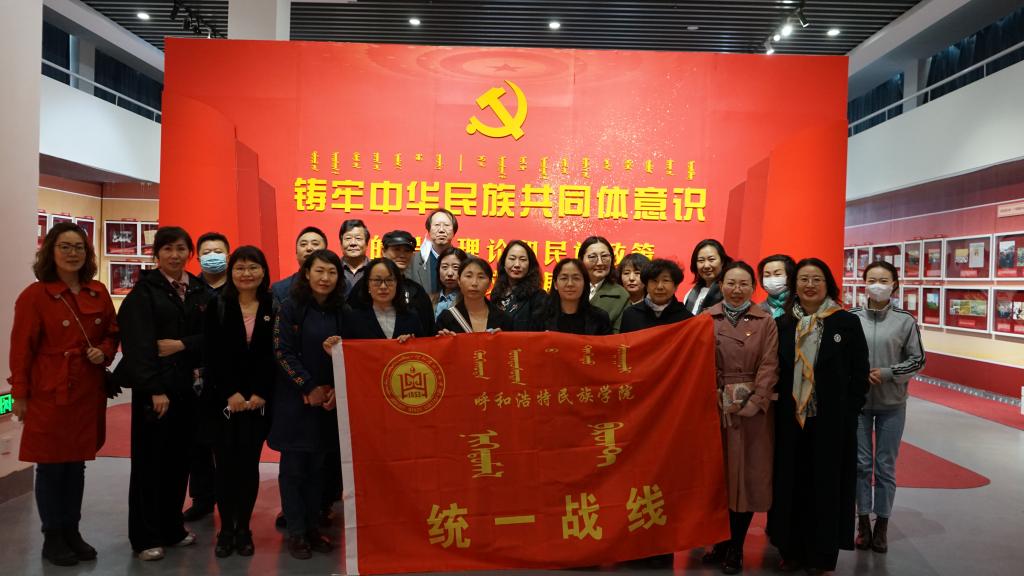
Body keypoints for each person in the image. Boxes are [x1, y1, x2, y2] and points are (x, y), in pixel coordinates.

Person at [8, 223, 119, 566]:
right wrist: (19, 395)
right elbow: (21, 350)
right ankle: (52, 536)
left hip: (86, 390)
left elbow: (112, 332)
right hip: (49, 392)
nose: (73, 253)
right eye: (65, 247)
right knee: (51, 466)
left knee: (75, 465)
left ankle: (72, 530)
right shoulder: (34, 296)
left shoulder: (97, 292)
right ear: (50, 252)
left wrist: (104, 351)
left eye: (79, 247)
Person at [767, 258, 869, 575]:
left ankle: (822, 555)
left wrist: (849, 413)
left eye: (817, 279)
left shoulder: (845, 323)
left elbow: (860, 373)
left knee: (826, 486)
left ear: (828, 285)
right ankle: (790, 549)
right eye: (804, 279)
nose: (810, 285)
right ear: (794, 285)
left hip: (831, 422)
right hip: (790, 421)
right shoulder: (783, 324)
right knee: (790, 483)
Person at [119, 226, 209, 561]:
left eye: (181, 249)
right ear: (156, 254)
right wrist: (154, 389)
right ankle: (145, 536)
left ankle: (172, 528)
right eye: (168, 249)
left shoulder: (199, 290)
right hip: (155, 394)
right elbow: (138, 346)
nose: (175, 255)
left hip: (189, 391)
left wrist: (184, 344)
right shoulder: (144, 293)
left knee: (179, 463)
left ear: (190, 253)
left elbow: (213, 337)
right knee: (149, 465)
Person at [702, 261, 779, 574]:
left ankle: (736, 547)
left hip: (753, 412)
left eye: (744, 284)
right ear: (721, 285)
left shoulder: (766, 321)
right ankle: (720, 541)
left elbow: (770, 364)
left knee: (747, 477)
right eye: (731, 283)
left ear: (753, 287)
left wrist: (757, 400)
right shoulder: (706, 319)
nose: (737, 290)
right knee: (718, 477)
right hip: (715, 407)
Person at [269, 249, 345, 559]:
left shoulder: (341, 310)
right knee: (294, 470)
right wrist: (308, 386)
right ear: (307, 273)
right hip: (295, 402)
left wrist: (335, 389)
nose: (325, 278)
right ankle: (296, 532)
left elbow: (349, 351)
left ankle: (313, 527)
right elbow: (281, 352)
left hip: (328, 403)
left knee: (319, 470)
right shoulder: (290, 307)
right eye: (319, 271)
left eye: (332, 272)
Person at [203, 246, 276, 558]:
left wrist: (261, 392)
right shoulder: (218, 304)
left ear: (263, 271)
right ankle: (225, 530)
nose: (247, 274)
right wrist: (229, 392)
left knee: (248, 466)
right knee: (224, 467)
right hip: (224, 401)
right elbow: (211, 354)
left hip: (258, 402)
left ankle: (243, 528)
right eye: (240, 268)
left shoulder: (274, 305)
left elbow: (275, 354)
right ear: (231, 272)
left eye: (253, 267)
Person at [851, 261, 925, 554]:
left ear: (895, 284)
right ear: (864, 282)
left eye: (884, 280)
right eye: (872, 279)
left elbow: (917, 359)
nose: (878, 285)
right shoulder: (851, 318)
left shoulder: (906, 321)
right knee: (860, 465)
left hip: (892, 404)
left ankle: (881, 523)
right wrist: (857, 375)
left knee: (885, 465)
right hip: (858, 404)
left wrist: (889, 373)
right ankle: (862, 523)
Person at [182, 232, 231, 523]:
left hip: (229, 379)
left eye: (218, 251)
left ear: (228, 255)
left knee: (227, 445)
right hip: (194, 376)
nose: (213, 256)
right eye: (207, 252)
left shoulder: (238, 289)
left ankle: (229, 501)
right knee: (197, 442)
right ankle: (202, 499)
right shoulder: (189, 289)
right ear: (198, 257)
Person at [354, 230, 435, 336]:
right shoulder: (364, 285)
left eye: (407, 251)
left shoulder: (417, 290)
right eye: (396, 249)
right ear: (383, 251)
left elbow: (428, 330)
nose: (402, 255)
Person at [340, 257, 425, 341]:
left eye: (389, 280)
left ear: (397, 284)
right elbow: (346, 348)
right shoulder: (354, 319)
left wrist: (412, 343)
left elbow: (422, 347)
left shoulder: (412, 318)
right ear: (368, 285)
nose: (383, 286)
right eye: (377, 280)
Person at [531, 258, 611, 335]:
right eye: (564, 278)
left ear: (585, 283)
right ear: (555, 284)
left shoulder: (600, 318)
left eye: (576, 278)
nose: (570, 284)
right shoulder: (540, 317)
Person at [437, 256, 513, 334]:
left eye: (481, 277)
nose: (474, 283)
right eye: (468, 276)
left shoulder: (504, 319)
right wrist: (443, 339)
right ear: (459, 280)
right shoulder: (446, 318)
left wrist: (503, 338)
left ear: (490, 283)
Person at [620, 259, 693, 332]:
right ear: (646, 285)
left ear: (676, 286)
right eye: (654, 281)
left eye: (666, 280)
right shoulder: (631, 314)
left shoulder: (686, 318)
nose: (659, 286)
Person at [578, 236, 630, 332]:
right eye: (592, 257)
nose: (600, 263)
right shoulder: (569, 289)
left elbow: (619, 334)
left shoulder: (622, 295)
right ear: (581, 260)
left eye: (605, 256)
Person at [492, 240, 547, 331]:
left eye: (523, 259)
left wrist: (505, 334)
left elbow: (538, 333)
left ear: (530, 265)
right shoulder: (497, 293)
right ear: (503, 263)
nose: (517, 264)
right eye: (512, 259)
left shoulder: (539, 296)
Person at [271, 226, 328, 306]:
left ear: (326, 252)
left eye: (315, 244)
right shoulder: (280, 289)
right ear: (296, 254)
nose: (309, 248)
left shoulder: (337, 285)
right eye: (303, 244)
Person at [406, 208, 458, 296]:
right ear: (429, 230)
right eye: (437, 225)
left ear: (454, 231)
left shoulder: (467, 260)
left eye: (446, 225)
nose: (441, 230)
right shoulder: (412, 261)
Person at [684, 239, 733, 315]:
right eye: (701, 260)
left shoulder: (730, 293)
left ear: (722, 261)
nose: (706, 266)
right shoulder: (691, 294)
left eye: (711, 259)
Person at [432, 246, 467, 320]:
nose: (450, 273)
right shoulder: (428, 300)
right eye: (445, 267)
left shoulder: (470, 301)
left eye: (456, 267)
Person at [338, 219, 370, 297]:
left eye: (358, 238)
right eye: (348, 238)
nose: (353, 243)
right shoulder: (333, 268)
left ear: (366, 243)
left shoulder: (375, 269)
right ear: (341, 244)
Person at [758, 254, 796, 319]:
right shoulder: (756, 310)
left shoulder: (802, 306)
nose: (772, 279)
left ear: (790, 276)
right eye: (767, 275)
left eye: (777, 274)